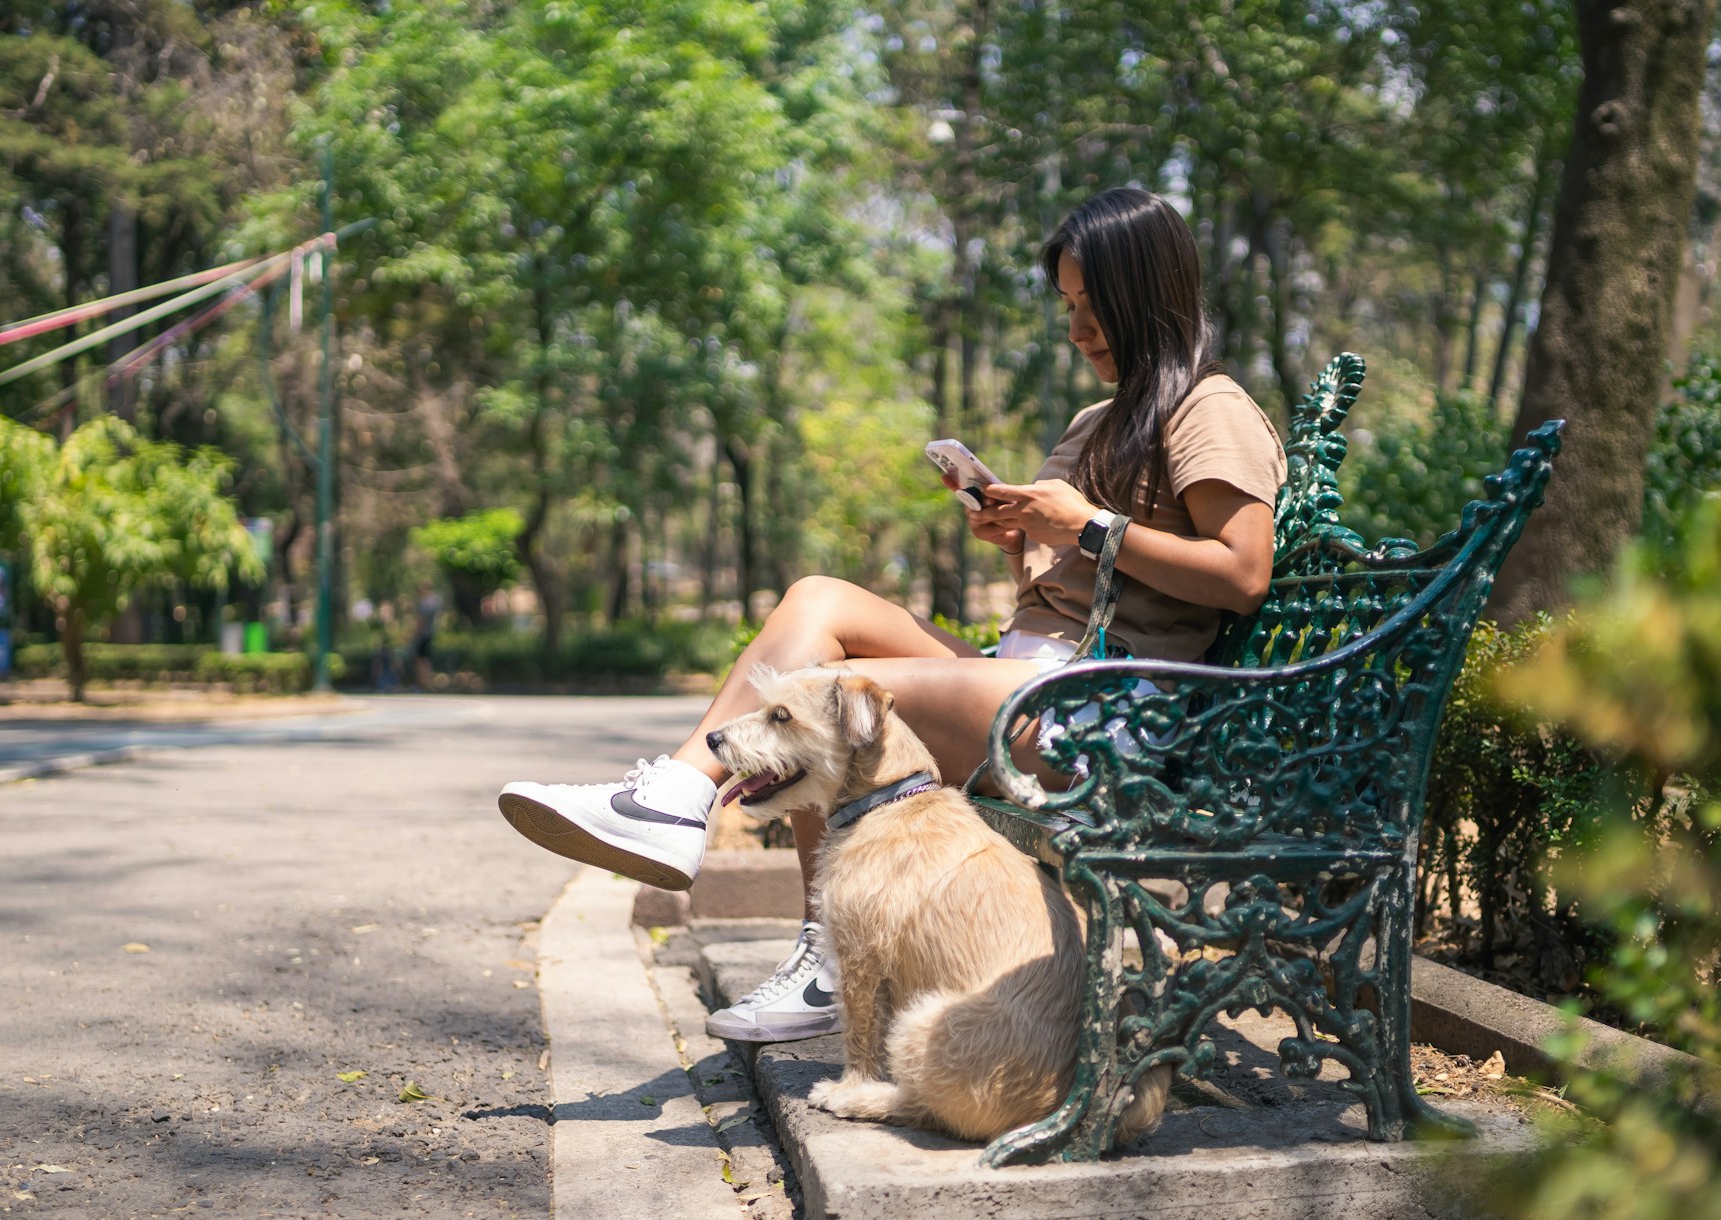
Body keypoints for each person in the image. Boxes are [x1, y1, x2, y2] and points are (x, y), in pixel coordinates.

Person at [499, 187, 1286, 1043]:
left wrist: (1087, 524)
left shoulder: (1209, 409)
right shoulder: (1101, 420)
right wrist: (1015, 533)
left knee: (832, 696)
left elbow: (1242, 574)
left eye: (1094, 308)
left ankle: (830, 962)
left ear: (1148, 295)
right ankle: (680, 798)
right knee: (818, 601)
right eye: (1067, 307)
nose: (1076, 330)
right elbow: (1073, 576)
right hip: (1030, 673)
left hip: (1103, 711)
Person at [412, 580, 444, 689]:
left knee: (421, 659)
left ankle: (424, 682)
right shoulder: (434, 601)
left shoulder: (425, 603)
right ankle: (426, 682)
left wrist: (413, 633)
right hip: (429, 633)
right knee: (425, 659)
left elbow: (421, 621)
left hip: (423, 634)